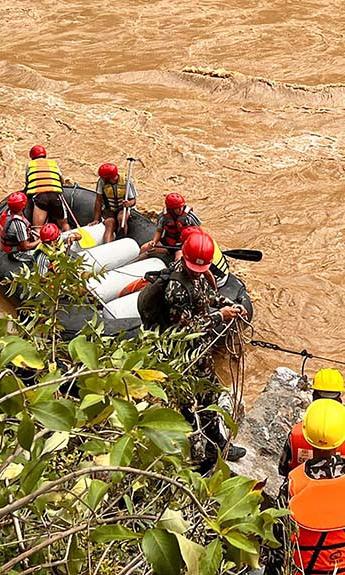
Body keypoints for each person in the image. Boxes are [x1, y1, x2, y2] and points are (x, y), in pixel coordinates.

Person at [137, 231, 248, 464]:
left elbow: (207, 298)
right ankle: (199, 456)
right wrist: (220, 317)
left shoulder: (197, 275)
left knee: (210, 394)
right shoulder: (175, 290)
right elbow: (186, 331)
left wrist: (230, 305)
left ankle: (214, 442)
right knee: (188, 404)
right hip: (183, 356)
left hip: (201, 352)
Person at [269, 399, 345, 575]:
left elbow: (278, 544)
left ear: (307, 436)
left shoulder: (291, 485)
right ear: (343, 436)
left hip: (308, 569)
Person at [278, 374, 345, 475]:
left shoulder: (294, 435)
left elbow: (282, 469)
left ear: (314, 397)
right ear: (339, 400)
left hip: (300, 487)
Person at [139, 193, 201, 262]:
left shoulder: (189, 216)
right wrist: (154, 241)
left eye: (181, 206)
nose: (180, 209)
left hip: (182, 245)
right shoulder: (163, 217)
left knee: (178, 259)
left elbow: (198, 231)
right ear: (170, 209)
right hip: (168, 243)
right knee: (144, 248)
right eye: (177, 208)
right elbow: (159, 231)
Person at [23, 145, 69, 231]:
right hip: (55, 196)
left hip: (40, 197)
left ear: (32, 156)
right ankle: (70, 239)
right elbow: (62, 180)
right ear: (44, 154)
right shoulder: (53, 163)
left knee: (37, 228)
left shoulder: (30, 165)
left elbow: (28, 182)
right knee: (64, 224)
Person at [90, 163, 137, 244]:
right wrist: (96, 219)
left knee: (122, 219)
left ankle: (120, 242)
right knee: (110, 223)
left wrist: (128, 203)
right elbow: (98, 201)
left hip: (122, 208)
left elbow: (133, 200)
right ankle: (107, 245)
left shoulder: (126, 181)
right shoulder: (101, 182)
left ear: (108, 178)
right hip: (108, 209)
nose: (101, 178)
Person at [0, 192, 39, 261]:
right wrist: (40, 241)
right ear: (23, 207)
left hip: (20, 241)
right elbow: (25, 246)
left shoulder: (9, 213)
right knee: (43, 254)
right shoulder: (18, 224)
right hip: (17, 253)